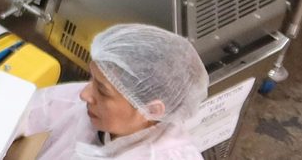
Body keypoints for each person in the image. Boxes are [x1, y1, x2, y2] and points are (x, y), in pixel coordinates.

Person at [16, 24, 208, 159]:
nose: (84, 94)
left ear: (151, 110)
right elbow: (22, 109)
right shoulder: (95, 108)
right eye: (92, 78)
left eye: (102, 90)